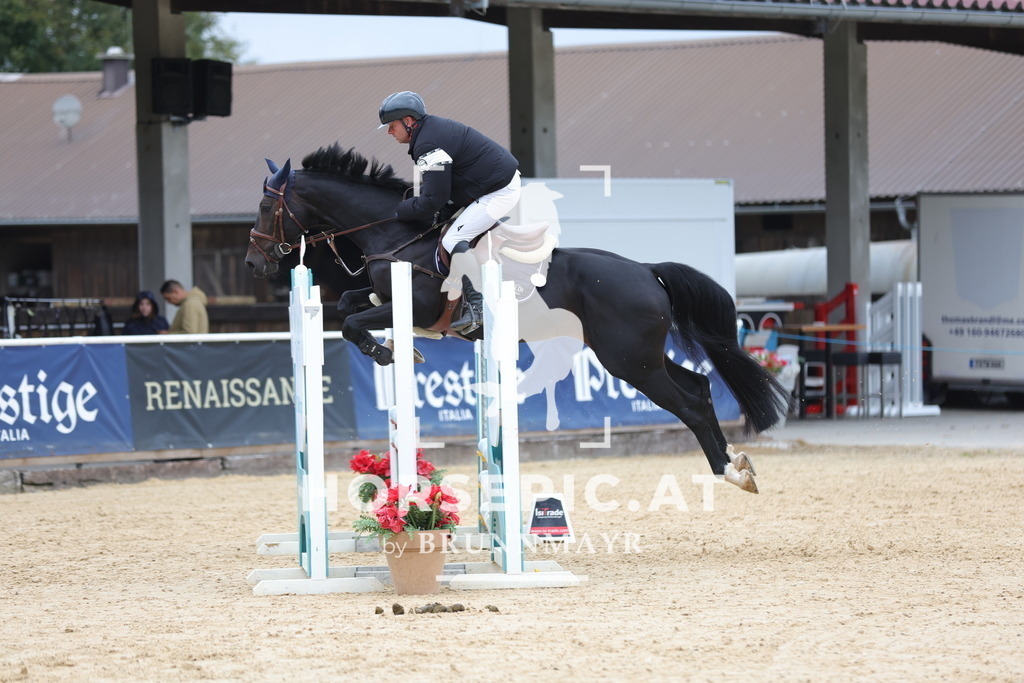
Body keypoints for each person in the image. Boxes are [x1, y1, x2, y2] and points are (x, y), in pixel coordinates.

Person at [379, 90, 521, 334]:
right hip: (483, 187)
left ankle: (476, 306)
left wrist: (399, 210)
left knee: (454, 237)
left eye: (392, 125)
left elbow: (434, 199)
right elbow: (436, 191)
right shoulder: (428, 134)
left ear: (409, 122)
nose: (390, 132)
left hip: (499, 191)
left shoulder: (428, 144)